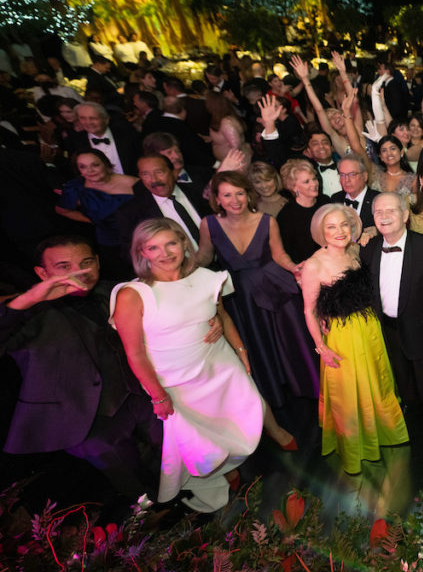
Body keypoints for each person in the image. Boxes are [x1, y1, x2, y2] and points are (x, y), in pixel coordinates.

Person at [111, 219, 266, 512]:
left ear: (184, 244)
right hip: (174, 381)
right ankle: (210, 478)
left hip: (218, 366)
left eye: (171, 243)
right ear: (142, 253)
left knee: (234, 423)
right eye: (153, 247)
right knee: (196, 441)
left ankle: (226, 467)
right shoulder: (132, 294)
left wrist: (241, 351)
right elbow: (134, 353)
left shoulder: (207, 277)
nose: (165, 253)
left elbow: (222, 315)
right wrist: (158, 395)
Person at [1, 236, 163, 501]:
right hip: (82, 419)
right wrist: (27, 300)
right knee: (136, 485)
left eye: (86, 262)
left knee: (175, 456)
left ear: (97, 262)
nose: (79, 272)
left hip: (142, 396)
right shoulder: (25, 313)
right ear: (42, 273)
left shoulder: (117, 291)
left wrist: (212, 320)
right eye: (64, 266)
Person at [300, 203, 409, 475]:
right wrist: (321, 348)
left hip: (369, 329)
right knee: (348, 394)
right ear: (321, 232)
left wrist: (369, 230)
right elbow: (309, 309)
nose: (339, 231)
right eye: (331, 227)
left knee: (377, 383)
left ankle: (384, 433)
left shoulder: (357, 250)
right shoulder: (313, 264)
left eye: (344, 225)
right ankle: (354, 449)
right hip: (342, 336)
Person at [196, 171, 319, 409]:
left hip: (275, 287)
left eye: (240, 193)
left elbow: (279, 254)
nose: (235, 200)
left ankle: (309, 391)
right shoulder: (209, 224)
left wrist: (295, 269)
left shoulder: (267, 221)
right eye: (227, 195)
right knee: (258, 345)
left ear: (248, 195)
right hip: (239, 295)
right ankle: (275, 398)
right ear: (217, 199)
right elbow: (204, 256)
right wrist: (181, 270)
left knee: (291, 342)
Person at [361, 192, 423, 436]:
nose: (384, 216)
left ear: (404, 215)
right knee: (399, 371)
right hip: (387, 327)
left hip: (422, 327)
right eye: (378, 212)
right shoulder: (369, 250)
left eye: (390, 211)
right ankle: (409, 405)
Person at [55, 150, 138, 279]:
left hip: (138, 237)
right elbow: (62, 210)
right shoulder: (76, 187)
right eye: (83, 167)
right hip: (109, 243)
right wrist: (93, 220)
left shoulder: (133, 182)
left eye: (95, 165)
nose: (90, 170)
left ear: (106, 164)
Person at [116, 154, 210, 254]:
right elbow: (133, 253)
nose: (154, 180)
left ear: (173, 172)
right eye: (145, 174)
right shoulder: (130, 213)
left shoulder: (200, 191)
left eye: (159, 172)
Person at [276, 158, 330, 263]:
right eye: (306, 182)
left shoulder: (325, 201)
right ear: (294, 187)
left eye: (314, 179)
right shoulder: (286, 216)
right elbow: (287, 252)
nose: (314, 184)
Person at [67, 102, 141, 176]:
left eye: (93, 118)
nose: (88, 122)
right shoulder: (74, 141)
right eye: (83, 118)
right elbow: (75, 170)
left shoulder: (127, 134)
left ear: (106, 119)